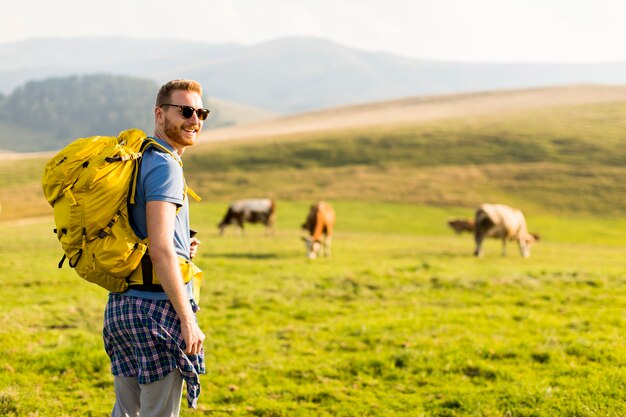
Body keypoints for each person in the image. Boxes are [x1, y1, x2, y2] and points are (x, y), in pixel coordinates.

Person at [102, 79, 209, 416]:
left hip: (122, 307)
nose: (195, 120)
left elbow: (148, 234)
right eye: (186, 111)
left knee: (126, 411)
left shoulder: (137, 158)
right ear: (160, 114)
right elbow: (161, 249)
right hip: (156, 311)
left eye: (201, 112)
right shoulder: (165, 165)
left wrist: (182, 247)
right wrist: (187, 318)